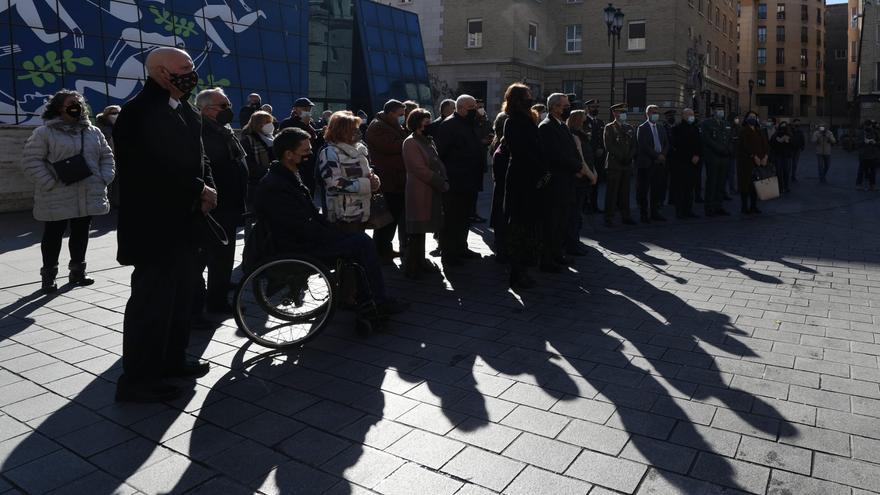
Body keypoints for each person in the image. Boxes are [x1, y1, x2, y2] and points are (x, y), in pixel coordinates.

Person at [114, 47, 216, 402]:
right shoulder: (138, 112)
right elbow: (148, 167)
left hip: (185, 225)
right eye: (184, 68)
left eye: (191, 66)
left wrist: (207, 185)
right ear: (159, 71)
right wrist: (197, 188)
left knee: (181, 297)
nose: (191, 72)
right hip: (154, 227)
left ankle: (172, 359)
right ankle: (139, 379)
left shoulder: (186, 109)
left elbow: (197, 156)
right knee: (152, 303)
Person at [254, 128, 407, 316]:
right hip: (297, 245)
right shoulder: (277, 186)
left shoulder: (287, 176)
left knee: (357, 241)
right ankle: (378, 299)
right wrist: (331, 235)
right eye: (305, 151)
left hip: (303, 236)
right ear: (288, 155)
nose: (311, 154)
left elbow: (307, 217)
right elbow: (297, 225)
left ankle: (366, 296)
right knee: (363, 243)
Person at [20, 90, 115, 294]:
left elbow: (107, 156)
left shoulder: (93, 132)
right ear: (58, 108)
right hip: (57, 194)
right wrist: (48, 182)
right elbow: (31, 160)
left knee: (81, 233)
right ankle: (48, 277)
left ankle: (78, 272)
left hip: (88, 191)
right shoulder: (44, 133)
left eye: (79, 103)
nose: (77, 107)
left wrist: (104, 178)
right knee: (53, 235)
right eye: (71, 103)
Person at [194, 87, 248, 315]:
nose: (229, 110)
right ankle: (207, 302)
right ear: (206, 110)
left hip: (230, 205)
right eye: (223, 106)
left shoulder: (223, 130)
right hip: (214, 206)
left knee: (224, 257)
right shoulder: (200, 132)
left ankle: (219, 292)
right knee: (207, 257)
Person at [502, 83, 547, 289]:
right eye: (528, 96)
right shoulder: (512, 122)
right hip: (521, 179)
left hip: (531, 177)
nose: (532, 98)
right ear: (519, 99)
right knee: (519, 226)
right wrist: (539, 167)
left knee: (529, 225)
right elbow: (522, 151)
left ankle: (524, 269)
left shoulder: (527, 119)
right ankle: (517, 273)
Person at [434, 94, 484, 265]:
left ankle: (462, 247)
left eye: (475, 108)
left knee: (464, 218)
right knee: (452, 219)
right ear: (460, 108)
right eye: (471, 108)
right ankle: (449, 254)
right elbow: (440, 153)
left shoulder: (470, 123)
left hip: (470, 180)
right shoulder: (448, 125)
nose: (474, 111)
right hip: (455, 181)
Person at [538, 93, 584, 270]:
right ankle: (547, 259)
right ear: (555, 107)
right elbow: (556, 155)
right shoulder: (546, 127)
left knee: (562, 221)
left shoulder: (562, 126)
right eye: (565, 106)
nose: (568, 108)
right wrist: (577, 167)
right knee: (551, 222)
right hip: (554, 184)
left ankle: (557, 253)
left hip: (566, 182)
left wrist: (577, 166)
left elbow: (571, 150)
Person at [402, 108, 449, 279]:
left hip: (430, 189)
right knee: (416, 229)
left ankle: (420, 261)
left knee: (422, 229)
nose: (429, 123)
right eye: (425, 120)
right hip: (419, 190)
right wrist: (439, 181)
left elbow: (436, 161)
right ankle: (412, 265)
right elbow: (418, 169)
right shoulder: (410, 142)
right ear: (417, 122)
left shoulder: (427, 140)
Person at [316, 111, 380, 232]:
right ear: (341, 131)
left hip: (362, 211)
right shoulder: (330, 152)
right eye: (353, 129)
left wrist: (375, 179)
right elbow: (334, 184)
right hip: (343, 215)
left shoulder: (359, 149)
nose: (357, 132)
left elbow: (366, 171)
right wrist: (366, 184)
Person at [366, 100, 408, 263]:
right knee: (386, 217)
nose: (402, 118)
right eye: (400, 114)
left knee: (393, 217)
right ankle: (380, 250)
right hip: (388, 178)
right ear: (391, 113)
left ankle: (385, 248)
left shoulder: (392, 125)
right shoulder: (377, 127)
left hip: (396, 178)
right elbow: (392, 147)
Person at [566, 109, 598, 255]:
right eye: (585, 119)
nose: (587, 122)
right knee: (574, 213)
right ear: (578, 120)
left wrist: (594, 172)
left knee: (578, 213)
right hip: (578, 179)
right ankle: (572, 243)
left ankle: (575, 240)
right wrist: (591, 175)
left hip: (586, 177)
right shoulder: (573, 135)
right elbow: (580, 158)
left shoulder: (582, 135)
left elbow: (589, 156)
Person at [603, 103, 637, 227]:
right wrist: (621, 157)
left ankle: (626, 215)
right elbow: (609, 145)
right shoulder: (609, 127)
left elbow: (634, 145)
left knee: (625, 192)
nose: (623, 114)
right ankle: (609, 217)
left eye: (624, 111)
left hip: (627, 164)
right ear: (614, 113)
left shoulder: (629, 127)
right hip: (614, 164)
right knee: (612, 192)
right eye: (620, 112)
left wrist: (629, 157)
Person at [635, 104, 670, 223]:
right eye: (653, 112)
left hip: (659, 163)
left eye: (657, 112)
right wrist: (657, 155)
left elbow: (666, 143)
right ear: (647, 114)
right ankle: (644, 214)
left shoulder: (661, 127)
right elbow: (644, 146)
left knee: (657, 189)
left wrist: (663, 154)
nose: (656, 115)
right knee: (644, 190)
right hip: (647, 163)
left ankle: (655, 212)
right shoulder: (642, 128)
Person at [278, 97, 318, 193]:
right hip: (295, 161)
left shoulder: (311, 123)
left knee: (309, 188)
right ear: (295, 109)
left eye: (309, 109)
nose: (307, 111)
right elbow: (290, 140)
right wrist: (304, 125)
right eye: (304, 109)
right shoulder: (287, 122)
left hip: (309, 162)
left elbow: (313, 140)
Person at [700, 102, 733, 216]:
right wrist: (720, 149)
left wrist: (728, 150)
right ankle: (709, 207)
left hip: (724, 158)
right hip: (713, 157)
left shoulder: (726, 123)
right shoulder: (706, 123)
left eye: (721, 109)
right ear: (713, 111)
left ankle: (719, 205)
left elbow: (730, 139)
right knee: (712, 182)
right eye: (718, 109)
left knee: (721, 182)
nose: (721, 111)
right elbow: (707, 139)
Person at [239, 110, 276, 207]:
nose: (270, 125)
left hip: (272, 183)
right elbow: (247, 164)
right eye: (267, 122)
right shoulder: (247, 140)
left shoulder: (272, 139)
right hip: (255, 184)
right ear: (258, 124)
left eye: (270, 122)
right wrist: (268, 171)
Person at [671, 108, 702, 219]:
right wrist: (690, 156)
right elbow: (678, 146)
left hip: (694, 163)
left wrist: (698, 155)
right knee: (680, 189)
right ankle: (680, 211)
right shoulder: (677, 129)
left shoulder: (695, 128)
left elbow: (699, 144)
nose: (691, 116)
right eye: (689, 114)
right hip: (681, 163)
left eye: (692, 114)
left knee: (690, 189)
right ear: (683, 115)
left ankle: (689, 210)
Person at [738, 110, 769, 214]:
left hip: (760, 162)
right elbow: (744, 145)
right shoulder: (743, 131)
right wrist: (753, 156)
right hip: (747, 162)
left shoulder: (760, 130)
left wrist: (765, 156)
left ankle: (753, 205)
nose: (753, 118)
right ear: (747, 118)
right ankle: (744, 206)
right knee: (746, 184)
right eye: (750, 116)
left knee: (756, 185)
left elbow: (765, 144)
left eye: (754, 117)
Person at [490, 110, 510, 262]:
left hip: (499, 186)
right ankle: (502, 247)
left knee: (499, 214)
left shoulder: (496, 140)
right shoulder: (501, 145)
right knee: (502, 215)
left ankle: (500, 243)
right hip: (504, 186)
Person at [96, 104, 122, 208]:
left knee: (117, 182)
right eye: (114, 113)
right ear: (106, 115)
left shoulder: (122, 126)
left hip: (118, 158)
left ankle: (116, 202)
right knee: (108, 182)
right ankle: (106, 202)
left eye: (118, 113)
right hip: (105, 159)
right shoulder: (100, 127)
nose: (117, 115)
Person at [584, 99, 605, 214]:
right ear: (587, 109)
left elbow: (601, 139)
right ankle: (586, 205)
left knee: (596, 182)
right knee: (587, 182)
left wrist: (601, 148)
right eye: (593, 107)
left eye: (597, 107)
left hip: (598, 158)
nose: (595, 109)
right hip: (588, 158)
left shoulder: (600, 122)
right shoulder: (584, 121)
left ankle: (594, 205)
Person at [769, 120, 794, 194]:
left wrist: (788, 141)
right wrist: (777, 140)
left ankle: (786, 187)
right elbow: (771, 144)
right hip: (778, 155)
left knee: (786, 172)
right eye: (782, 126)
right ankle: (780, 187)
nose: (783, 128)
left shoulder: (789, 135)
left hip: (786, 156)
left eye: (784, 127)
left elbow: (793, 145)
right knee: (779, 172)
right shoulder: (775, 135)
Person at [857, 120, 879, 191]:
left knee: (873, 171)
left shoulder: (875, 132)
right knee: (861, 171)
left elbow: (879, 143)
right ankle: (858, 185)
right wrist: (864, 142)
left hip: (873, 155)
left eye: (869, 125)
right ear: (864, 126)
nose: (868, 127)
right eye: (867, 125)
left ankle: (872, 185)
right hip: (863, 155)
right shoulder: (861, 133)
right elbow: (857, 144)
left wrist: (875, 142)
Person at [790, 118, 806, 183]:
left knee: (795, 164)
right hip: (790, 149)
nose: (797, 124)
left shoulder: (800, 131)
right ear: (793, 123)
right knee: (789, 163)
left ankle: (793, 176)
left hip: (797, 149)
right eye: (796, 123)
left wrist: (802, 147)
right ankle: (789, 176)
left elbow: (803, 139)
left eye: (798, 123)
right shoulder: (790, 130)